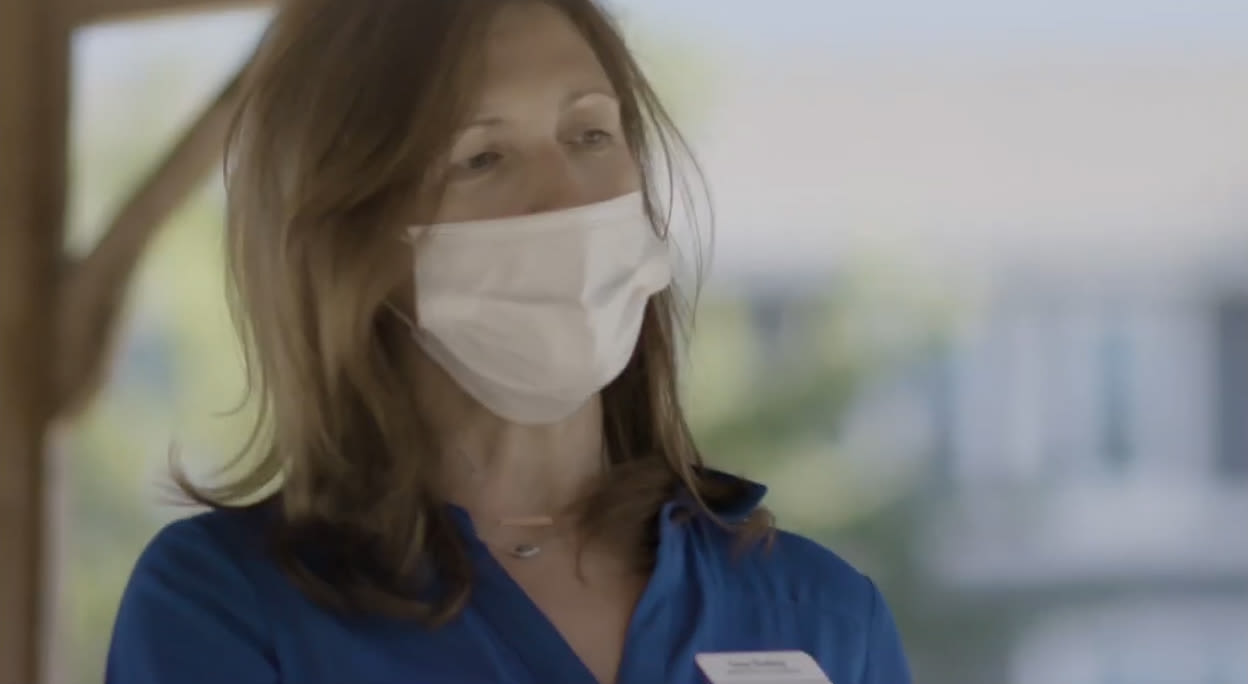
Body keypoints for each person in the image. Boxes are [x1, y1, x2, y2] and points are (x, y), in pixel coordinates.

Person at [105, 1, 912, 683]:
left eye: (591, 135)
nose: (565, 197)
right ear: (360, 245)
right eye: (483, 157)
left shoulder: (824, 612)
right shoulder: (229, 604)